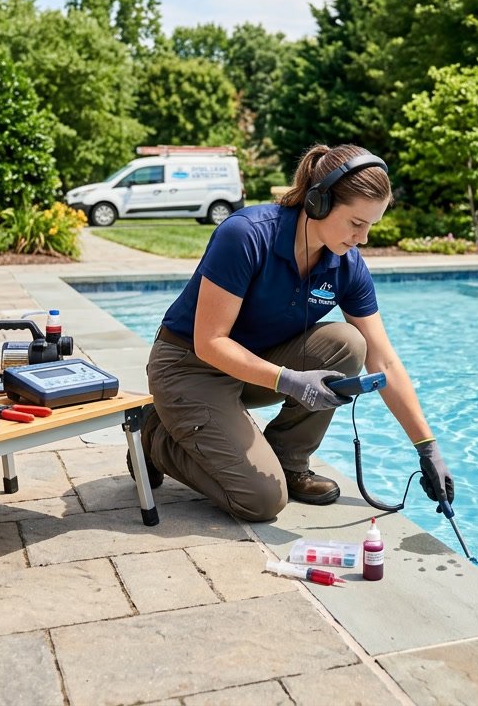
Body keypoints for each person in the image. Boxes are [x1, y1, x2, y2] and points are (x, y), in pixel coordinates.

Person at [133, 143, 454, 522]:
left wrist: (427, 447)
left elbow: (383, 361)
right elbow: (210, 342)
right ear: (318, 201)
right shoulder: (247, 235)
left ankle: (288, 462)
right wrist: (291, 381)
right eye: (356, 223)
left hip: (257, 366)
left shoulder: (347, 265)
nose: (363, 238)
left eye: (371, 226)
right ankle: (156, 438)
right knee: (262, 501)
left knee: (349, 343)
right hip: (189, 367)